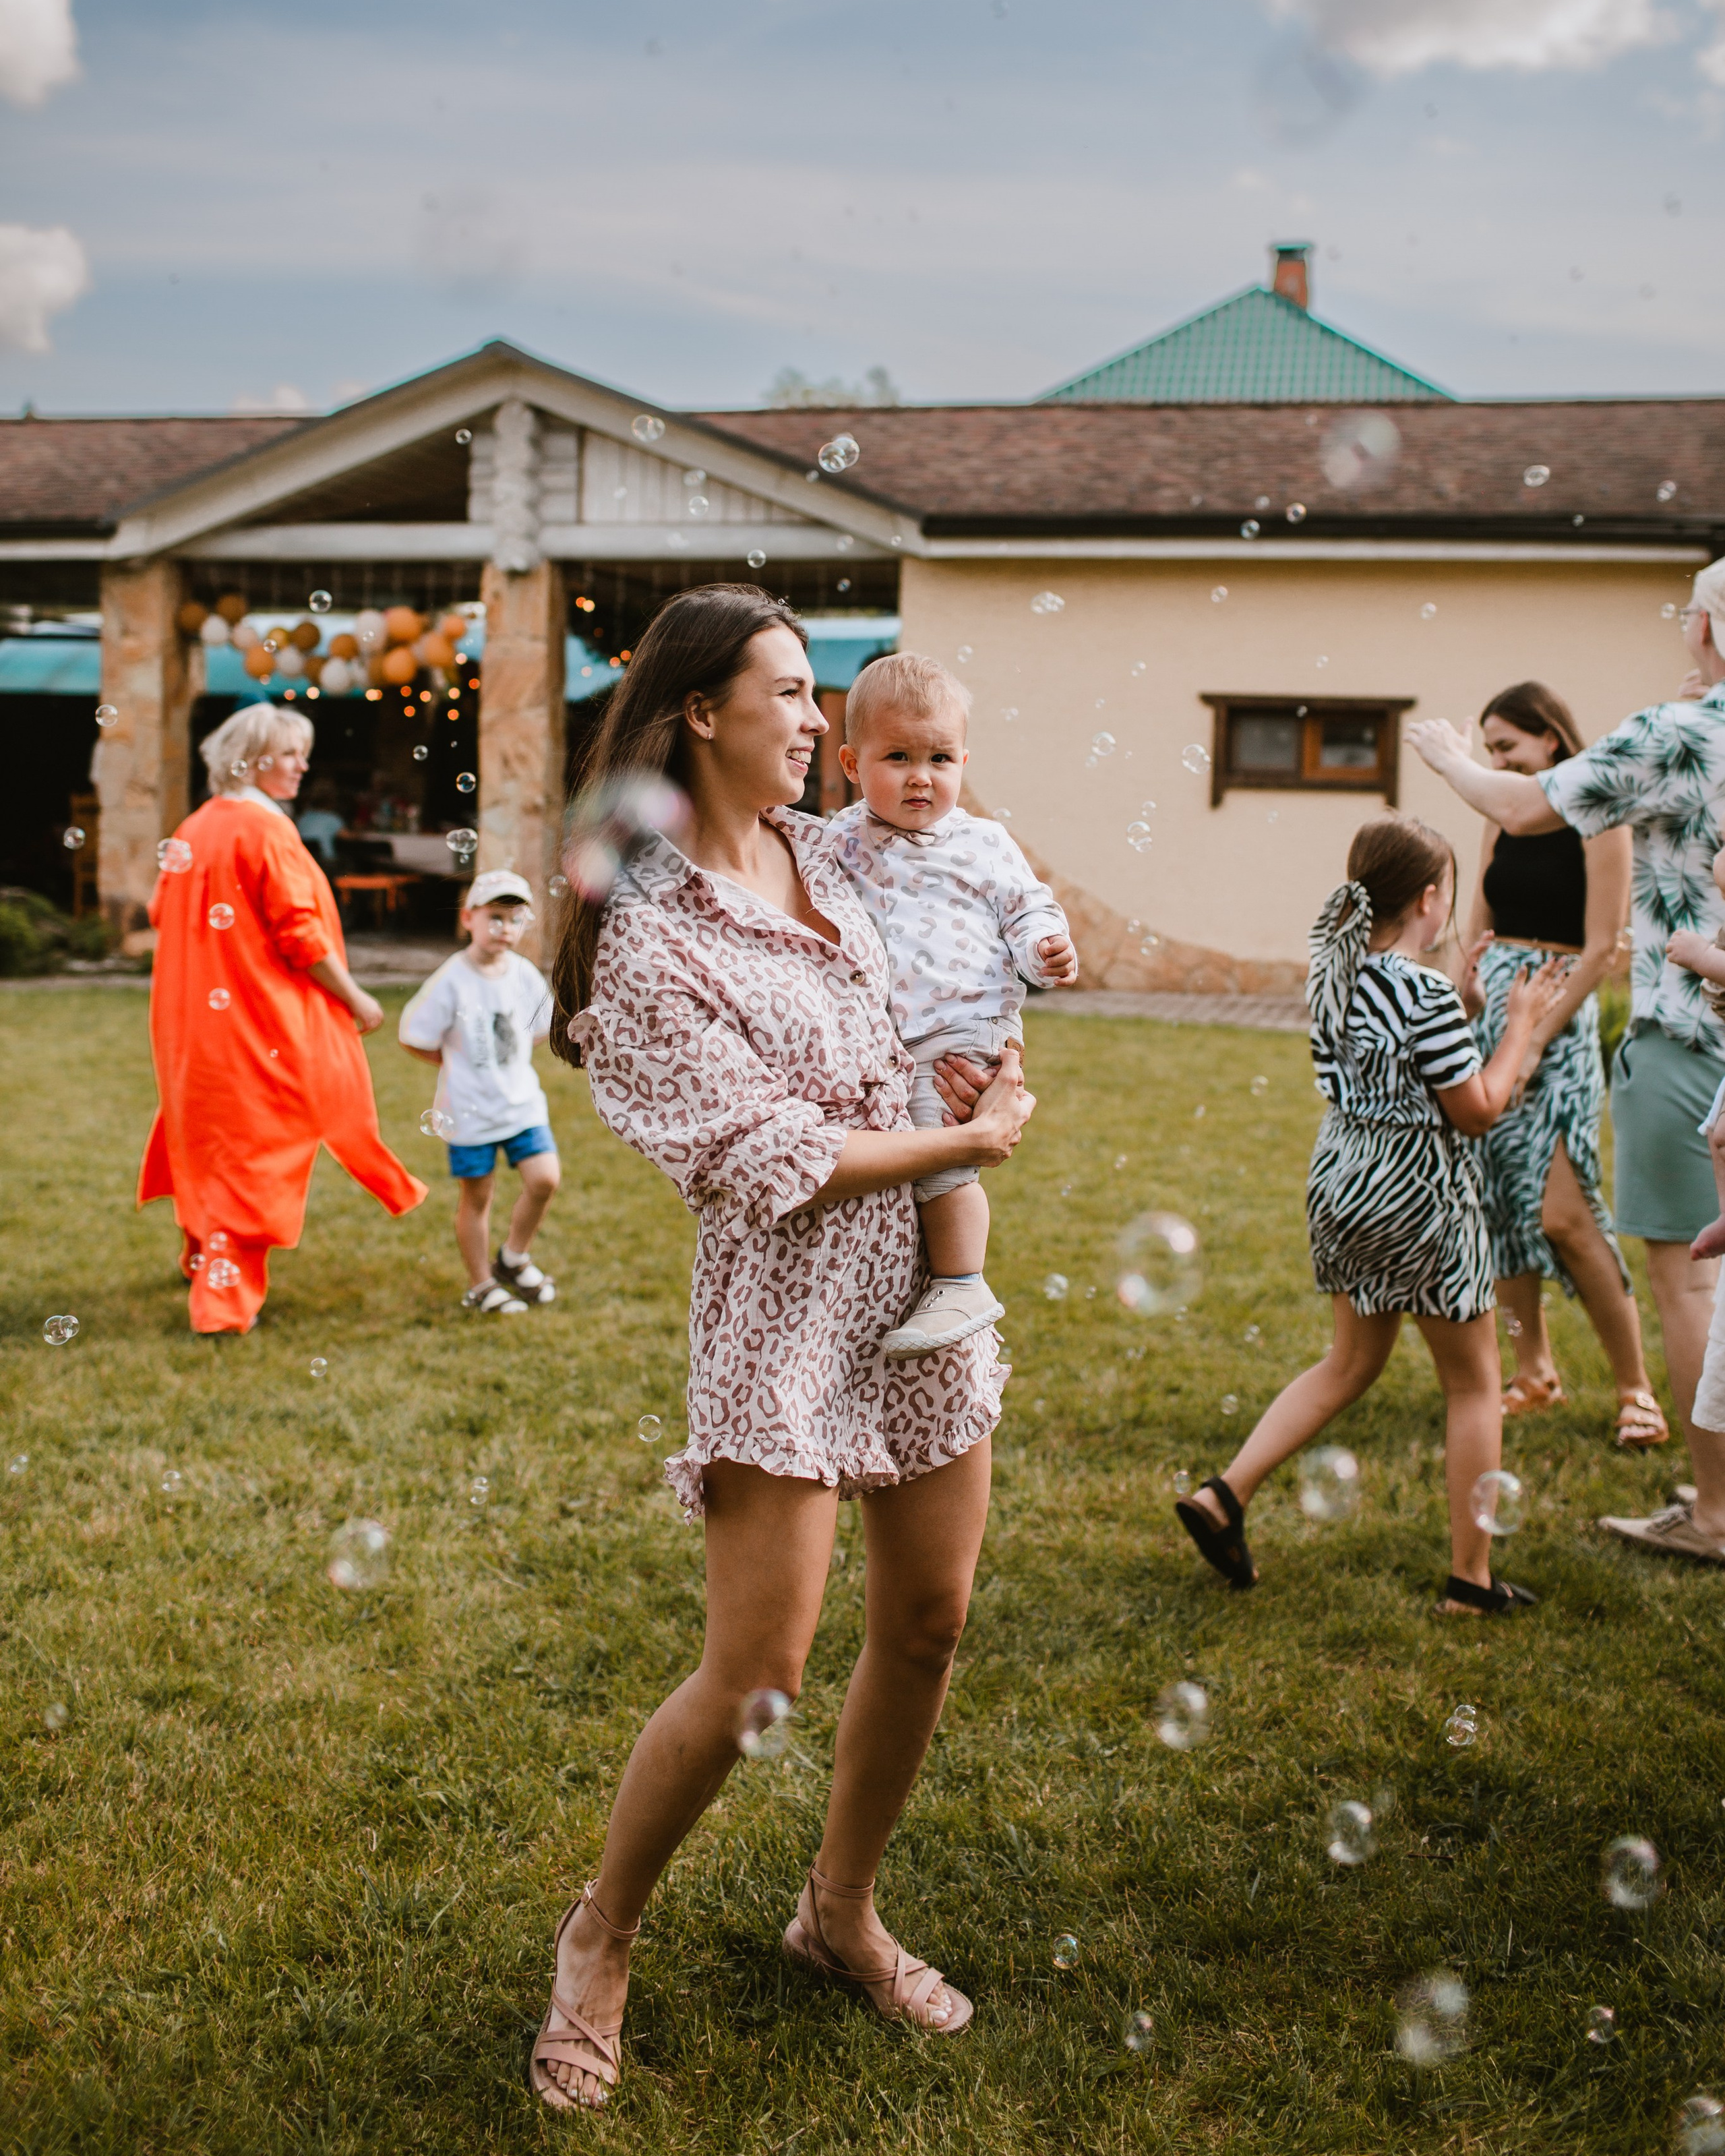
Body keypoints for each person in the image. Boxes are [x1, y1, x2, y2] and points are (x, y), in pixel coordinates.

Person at [531, 585, 1035, 2111]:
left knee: (931, 1617)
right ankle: (597, 1936)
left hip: (921, 1299)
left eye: (819, 695)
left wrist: (990, 1038)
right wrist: (964, 1133)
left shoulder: (838, 849)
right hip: (786, 1315)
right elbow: (770, 1156)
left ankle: (839, 1908)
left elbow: (965, 927)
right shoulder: (645, 935)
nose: (821, 721)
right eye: (791, 693)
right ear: (701, 712)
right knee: (757, 1669)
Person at [1410, 554, 1725, 1565]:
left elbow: (1522, 806)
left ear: (1708, 630)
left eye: (1690, 615)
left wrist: (1448, 756)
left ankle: (1713, 1510)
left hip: (1688, 1033)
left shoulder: (1672, 734)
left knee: (1685, 1276)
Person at [1175, 814, 1565, 1614]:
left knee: (1349, 1364)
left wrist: (1462, 1003)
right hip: (1420, 1198)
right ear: (1429, 900)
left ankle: (1224, 1495)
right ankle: (1471, 1580)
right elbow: (1479, 1110)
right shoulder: (1421, 993)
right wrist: (1518, 1023)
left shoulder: (1337, 972)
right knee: (1475, 1384)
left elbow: (1390, 1062)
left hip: (1345, 1186)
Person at [138, 702, 425, 1334]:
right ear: (251, 759)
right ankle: (222, 1305)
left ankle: (201, 1255)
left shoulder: (195, 825)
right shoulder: (265, 831)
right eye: (289, 753)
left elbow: (160, 911)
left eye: (303, 752)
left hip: (191, 1017)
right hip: (254, 1019)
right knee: (255, 1145)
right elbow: (300, 935)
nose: (303, 765)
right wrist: (357, 997)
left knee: (207, 1127)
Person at [822, 651, 1077, 1359]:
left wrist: (1044, 950)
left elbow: (1027, 908)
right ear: (850, 763)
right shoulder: (837, 840)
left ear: (964, 761)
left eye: (940, 758)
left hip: (965, 1025)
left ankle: (962, 1280)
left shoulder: (983, 841)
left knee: (937, 1152)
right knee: (900, 1148)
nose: (920, 777)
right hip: (894, 1036)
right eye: (897, 756)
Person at [1462, 682, 1664, 1447]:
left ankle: (1636, 1387)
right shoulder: (1499, 815)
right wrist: (1462, 996)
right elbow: (1479, 920)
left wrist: (1544, 1031)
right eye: (1487, 752)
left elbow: (1605, 943)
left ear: (1552, 740)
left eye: (1507, 747)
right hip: (1494, 1015)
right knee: (1498, 1204)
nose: (1497, 762)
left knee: (1565, 1215)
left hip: (1559, 1009)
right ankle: (1533, 1372)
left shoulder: (1597, 814)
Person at [398, 869, 559, 1314]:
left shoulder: (524, 975)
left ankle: (512, 1257)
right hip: (468, 1111)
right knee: (478, 1197)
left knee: (545, 1179)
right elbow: (413, 1035)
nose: (503, 928)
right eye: (493, 917)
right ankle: (482, 1284)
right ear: (468, 918)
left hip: (521, 1104)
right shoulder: (452, 978)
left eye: (513, 919)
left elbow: (541, 1027)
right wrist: (454, 1062)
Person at [294, 778, 343, 870]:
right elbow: (347, 837)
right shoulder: (332, 818)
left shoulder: (303, 817)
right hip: (326, 864)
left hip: (304, 863)